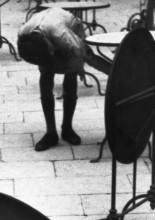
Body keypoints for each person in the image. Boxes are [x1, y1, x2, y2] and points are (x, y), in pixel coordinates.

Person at [17, 7, 111, 152]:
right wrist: (44, 60)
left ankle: (67, 128)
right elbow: (33, 54)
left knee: (70, 77)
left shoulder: (62, 34)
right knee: (45, 79)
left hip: (71, 28)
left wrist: (79, 67)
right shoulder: (24, 34)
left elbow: (79, 51)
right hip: (45, 37)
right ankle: (51, 133)